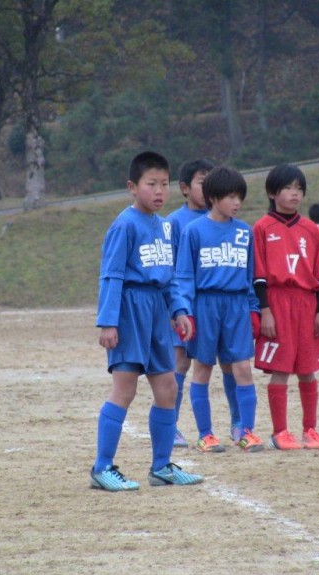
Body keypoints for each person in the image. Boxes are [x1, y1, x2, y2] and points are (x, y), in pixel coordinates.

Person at [90, 150, 203, 491]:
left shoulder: (165, 226)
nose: (159, 191)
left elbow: (170, 278)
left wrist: (178, 310)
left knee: (168, 387)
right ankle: (102, 468)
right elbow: (111, 275)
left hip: (156, 312)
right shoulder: (124, 225)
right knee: (124, 389)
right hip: (129, 310)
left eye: (164, 184)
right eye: (151, 184)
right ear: (132, 187)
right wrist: (108, 322)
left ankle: (161, 466)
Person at [176, 166, 264, 453]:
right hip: (205, 305)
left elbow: (249, 276)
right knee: (202, 368)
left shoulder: (245, 232)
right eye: (231, 197)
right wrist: (185, 311)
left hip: (236, 306)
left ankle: (247, 431)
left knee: (242, 367)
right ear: (213, 198)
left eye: (240, 197)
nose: (237, 203)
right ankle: (206, 434)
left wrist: (253, 309)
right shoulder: (193, 231)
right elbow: (184, 277)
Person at [253, 164, 319, 451]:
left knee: (307, 368)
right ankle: (280, 432)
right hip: (277, 301)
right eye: (288, 188)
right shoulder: (262, 228)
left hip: (306, 303)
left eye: (299, 189)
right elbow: (258, 277)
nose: (294, 194)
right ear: (272, 192)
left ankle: (310, 429)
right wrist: (265, 311)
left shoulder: (312, 230)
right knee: (281, 367)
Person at [167, 158, 242, 448]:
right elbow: (172, 268)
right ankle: (170, 425)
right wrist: (176, 307)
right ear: (185, 188)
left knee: (229, 362)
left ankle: (237, 422)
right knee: (181, 361)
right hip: (186, 306)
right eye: (202, 182)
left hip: (220, 309)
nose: (208, 187)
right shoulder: (175, 222)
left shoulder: (229, 223)